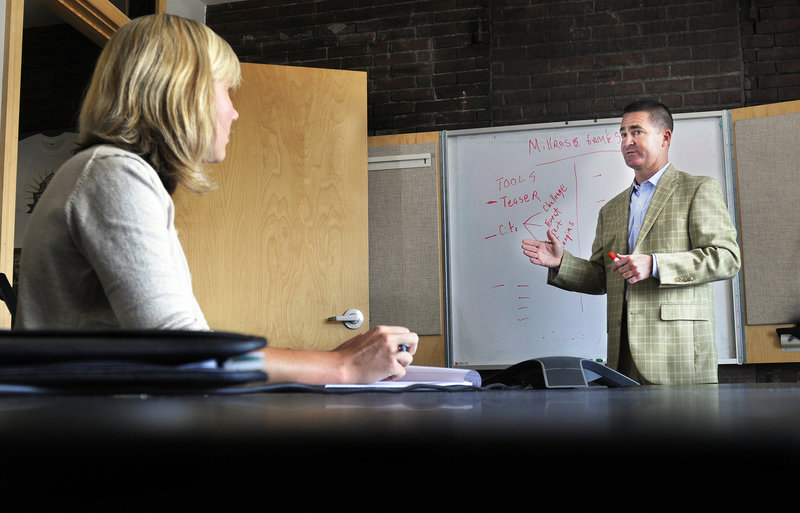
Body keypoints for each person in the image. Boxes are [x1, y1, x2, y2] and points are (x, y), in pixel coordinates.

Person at [14, 13, 418, 385]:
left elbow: (185, 347)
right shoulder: (113, 173)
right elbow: (181, 350)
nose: (234, 112)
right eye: (226, 91)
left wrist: (335, 361)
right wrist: (341, 366)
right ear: (184, 92)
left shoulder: (111, 173)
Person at [521, 100, 740, 385]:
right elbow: (603, 278)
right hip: (622, 355)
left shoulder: (697, 189)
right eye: (623, 134)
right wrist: (562, 262)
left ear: (665, 137)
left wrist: (655, 264)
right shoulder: (610, 209)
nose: (627, 141)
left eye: (637, 132)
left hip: (679, 355)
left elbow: (726, 258)